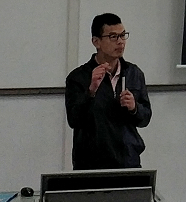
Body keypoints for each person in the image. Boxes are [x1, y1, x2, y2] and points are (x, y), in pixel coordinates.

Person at [65, 13, 152, 170]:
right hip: (91, 165)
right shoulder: (78, 77)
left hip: (128, 162)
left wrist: (134, 108)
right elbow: (74, 119)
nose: (120, 42)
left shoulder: (134, 73)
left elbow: (145, 118)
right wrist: (90, 91)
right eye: (113, 37)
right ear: (96, 41)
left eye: (123, 35)